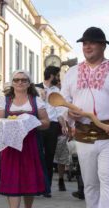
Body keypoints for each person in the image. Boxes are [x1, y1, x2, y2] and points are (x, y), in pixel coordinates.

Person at [61, 27, 109, 208]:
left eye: (92, 42)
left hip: (108, 133)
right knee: (90, 181)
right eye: (84, 43)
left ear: (103, 45)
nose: (88, 46)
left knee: (108, 178)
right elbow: (62, 99)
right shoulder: (73, 72)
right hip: (83, 133)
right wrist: (68, 112)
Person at [0, 70, 50, 208]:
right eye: (17, 80)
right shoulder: (3, 101)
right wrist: (10, 123)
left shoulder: (36, 101)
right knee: (12, 178)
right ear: (12, 83)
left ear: (29, 83)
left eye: (24, 80)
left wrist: (31, 122)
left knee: (29, 177)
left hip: (30, 144)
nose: (20, 83)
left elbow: (46, 122)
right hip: (10, 145)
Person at [36, 66, 68, 197]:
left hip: (53, 126)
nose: (58, 78)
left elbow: (59, 110)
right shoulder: (36, 88)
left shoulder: (57, 91)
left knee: (49, 156)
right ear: (51, 76)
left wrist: (64, 125)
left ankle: (47, 187)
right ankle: (36, 185)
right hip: (39, 124)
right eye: (57, 75)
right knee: (37, 156)